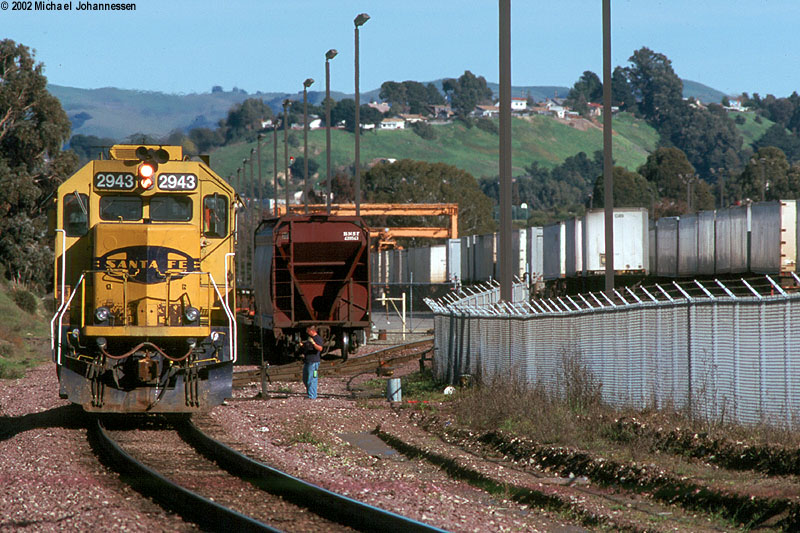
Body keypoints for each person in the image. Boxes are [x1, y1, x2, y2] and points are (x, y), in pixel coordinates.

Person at [301, 325, 323, 399]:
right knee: (305, 378)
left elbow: (320, 348)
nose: (307, 332)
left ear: (312, 331)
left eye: (308, 331)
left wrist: (313, 343)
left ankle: (312, 396)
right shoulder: (310, 338)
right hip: (307, 361)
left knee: (312, 378)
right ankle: (310, 393)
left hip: (314, 362)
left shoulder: (318, 338)